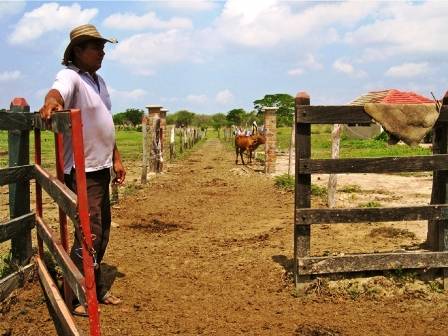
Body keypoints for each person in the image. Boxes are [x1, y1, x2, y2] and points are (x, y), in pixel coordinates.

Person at [39, 24, 125, 316]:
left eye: (103, 48)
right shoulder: (71, 76)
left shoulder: (98, 81)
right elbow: (57, 92)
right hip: (82, 171)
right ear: (78, 51)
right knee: (90, 234)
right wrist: (51, 102)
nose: (102, 53)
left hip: (101, 168)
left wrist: (116, 158)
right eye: (96, 47)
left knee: (101, 232)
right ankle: (76, 295)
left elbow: (106, 121)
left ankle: (94, 288)